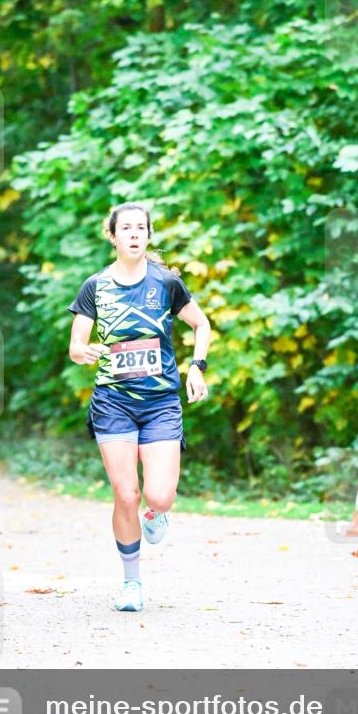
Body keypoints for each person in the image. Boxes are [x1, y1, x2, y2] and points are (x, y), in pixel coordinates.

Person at [67, 202, 211, 612]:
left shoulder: (166, 283)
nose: (134, 233)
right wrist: (84, 351)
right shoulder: (95, 286)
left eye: (140, 228)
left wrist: (196, 367)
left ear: (148, 236)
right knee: (125, 494)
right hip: (113, 402)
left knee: (159, 496)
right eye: (125, 227)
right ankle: (132, 584)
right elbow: (76, 345)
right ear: (112, 236)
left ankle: (156, 515)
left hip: (161, 402)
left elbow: (202, 325)